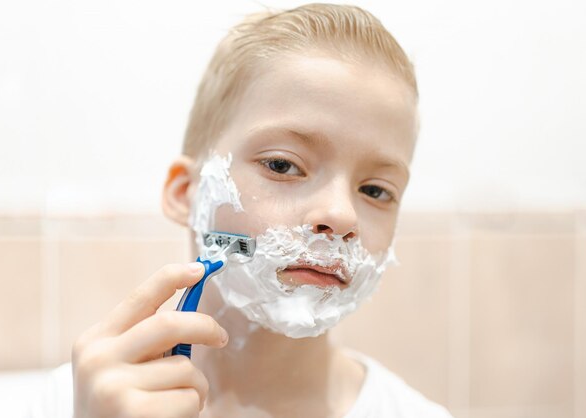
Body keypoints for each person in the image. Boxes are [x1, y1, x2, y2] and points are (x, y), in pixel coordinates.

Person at [31, 3, 453, 417]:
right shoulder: (69, 403)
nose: (343, 215)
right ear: (186, 192)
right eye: (283, 165)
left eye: (376, 190)